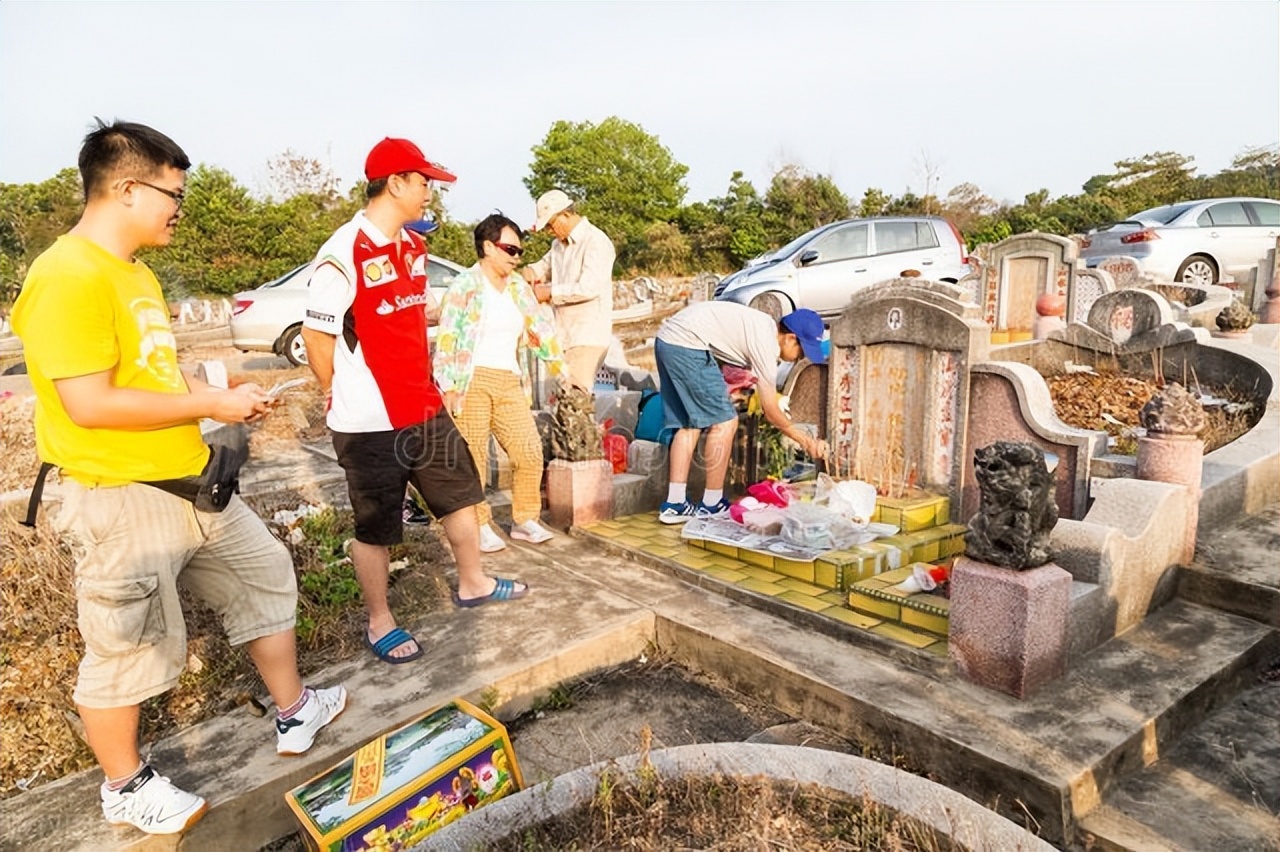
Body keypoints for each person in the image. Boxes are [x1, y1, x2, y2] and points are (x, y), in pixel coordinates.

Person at [11, 120, 346, 836]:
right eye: (174, 195)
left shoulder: (135, 273)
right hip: (120, 498)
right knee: (129, 646)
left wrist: (210, 388)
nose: (179, 210)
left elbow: (147, 376)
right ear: (128, 187)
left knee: (264, 579)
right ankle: (125, 786)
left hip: (193, 483)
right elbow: (88, 402)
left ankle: (295, 710)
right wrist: (210, 403)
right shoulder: (66, 274)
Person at [301, 138, 529, 665]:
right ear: (396, 182)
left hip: (424, 405)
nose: (431, 193)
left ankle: (472, 581)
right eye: (424, 183)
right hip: (368, 420)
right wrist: (333, 389)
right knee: (376, 525)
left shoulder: (411, 245)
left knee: (459, 495)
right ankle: (380, 620)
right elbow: (318, 337)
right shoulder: (343, 253)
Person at [434, 213, 563, 552]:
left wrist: (561, 367)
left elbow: (540, 330)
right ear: (488, 247)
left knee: (529, 450)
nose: (516, 257)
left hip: (509, 380)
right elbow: (447, 338)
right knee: (474, 457)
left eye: (520, 251)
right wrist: (448, 386)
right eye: (510, 249)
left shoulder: (519, 287)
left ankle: (524, 519)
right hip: (470, 380)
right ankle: (479, 524)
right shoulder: (464, 285)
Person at [652, 302, 830, 523]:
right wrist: (806, 441)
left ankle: (675, 504)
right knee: (725, 421)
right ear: (790, 338)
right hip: (689, 344)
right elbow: (770, 410)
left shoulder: (762, 326)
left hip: (667, 340)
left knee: (689, 423)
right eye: (801, 351)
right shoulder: (767, 345)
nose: (799, 358)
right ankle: (712, 504)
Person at [521, 189, 616, 391]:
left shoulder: (595, 241)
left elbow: (589, 287)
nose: (549, 231)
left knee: (576, 397)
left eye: (550, 224)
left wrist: (549, 292)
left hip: (587, 335)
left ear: (565, 214)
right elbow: (541, 267)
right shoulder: (558, 245)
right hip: (563, 334)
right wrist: (529, 272)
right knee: (563, 398)